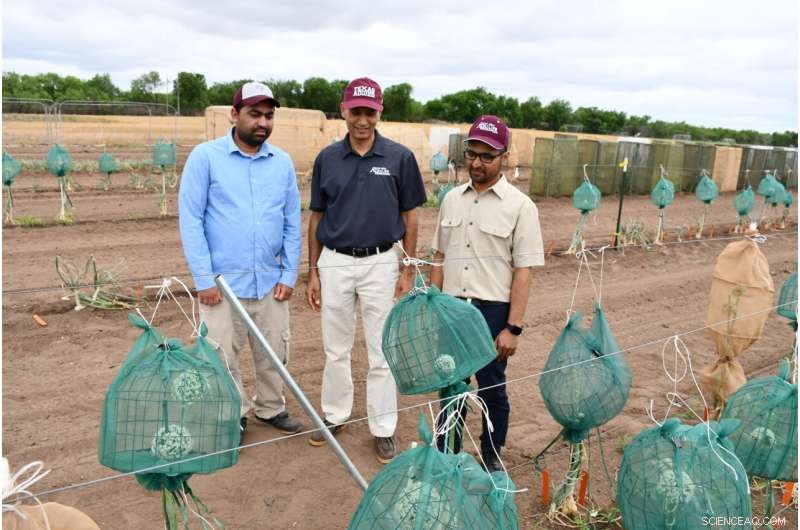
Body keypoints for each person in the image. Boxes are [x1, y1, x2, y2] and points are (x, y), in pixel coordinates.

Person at [306, 77, 427, 464]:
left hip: (381, 262)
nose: (362, 119)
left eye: (369, 112)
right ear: (343, 111)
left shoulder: (399, 157)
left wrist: (407, 267)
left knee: (381, 349)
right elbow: (317, 217)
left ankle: (383, 428)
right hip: (336, 260)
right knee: (335, 347)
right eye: (355, 111)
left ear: (379, 112)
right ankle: (335, 416)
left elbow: (410, 217)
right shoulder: (327, 158)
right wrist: (313, 270)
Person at [179, 81, 303, 438]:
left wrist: (289, 273)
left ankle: (270, 407)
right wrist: (203, 278)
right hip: (222, 283)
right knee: (221, 354)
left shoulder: (281, 163)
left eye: (268, 115)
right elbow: (191, 219)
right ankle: (235, 415)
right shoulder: (205, 158)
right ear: (235, 115)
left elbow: (292, 221)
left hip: (270, 279)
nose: (262, 122)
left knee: (274, 350)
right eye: (254, 114)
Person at [430, 115, 544, 471]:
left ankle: (491, 457)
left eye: (487, 156)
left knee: (492, 387)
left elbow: (522, 272)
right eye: (472, 154)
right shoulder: (451, 199)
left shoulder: (520, 207)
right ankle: (447, 453)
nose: (477, 163)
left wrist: (513, 328)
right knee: (451, 387)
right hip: (451, 309)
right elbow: (439, 257)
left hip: (491, 313)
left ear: (504, 157)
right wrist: (434, 306)